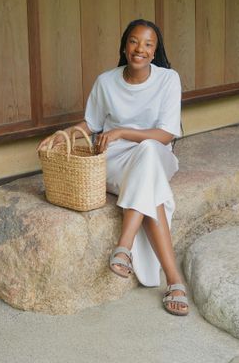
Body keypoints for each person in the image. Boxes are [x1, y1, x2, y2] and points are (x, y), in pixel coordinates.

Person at [38, 19, 188, 316]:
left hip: (157, 154)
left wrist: (122, 132)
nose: (140, 49)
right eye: (134, 41)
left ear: (155, 51)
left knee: (146, 152)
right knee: (150, 188)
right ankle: (174, 281)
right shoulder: (106, 81)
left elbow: (166, 134)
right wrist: (65, 135)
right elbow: (91, 124)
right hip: (115, 159)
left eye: (148, 44)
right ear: (124, 45)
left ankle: (124, 246)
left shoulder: (168, 79)